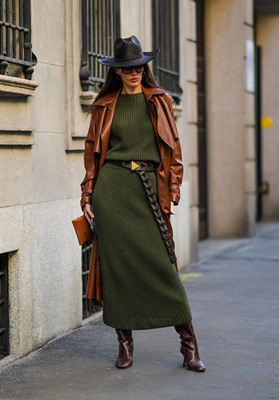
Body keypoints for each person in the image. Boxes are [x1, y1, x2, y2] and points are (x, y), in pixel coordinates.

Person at [80, 35, 206, 372]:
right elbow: (92, 155)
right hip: (113, 191)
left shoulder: (159, 100)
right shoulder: (105, 105)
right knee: (119, 271)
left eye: (139, 66)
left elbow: (174, 152)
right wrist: (87, 196)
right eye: (128, 68)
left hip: (149, 189)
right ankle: (124, 345)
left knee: (163, 268)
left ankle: (189, 345)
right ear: (117, 72)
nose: (135, 72)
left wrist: (173, 191)